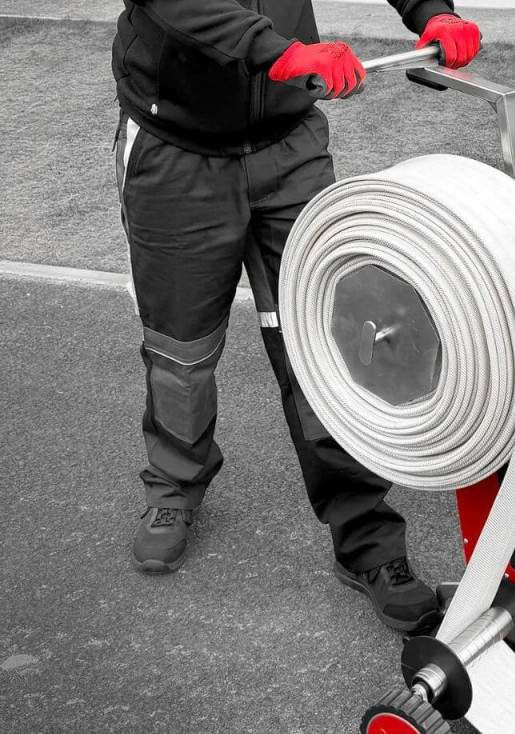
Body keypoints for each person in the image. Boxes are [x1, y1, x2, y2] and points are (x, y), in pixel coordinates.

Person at [111, 0, 481, 633]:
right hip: (176, 148)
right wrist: (279, 51)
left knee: (326, 346)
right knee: (181, 349)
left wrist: (430, 10)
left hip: (288, 145)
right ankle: (173, 487)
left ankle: (366, 540)